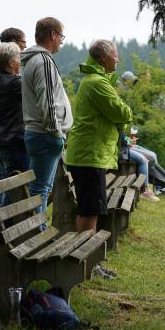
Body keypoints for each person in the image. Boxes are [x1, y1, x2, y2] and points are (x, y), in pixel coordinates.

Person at [64, 40, 133, 233]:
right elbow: (122, 113)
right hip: (88, 155)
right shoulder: (97, 83)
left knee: (91, 208)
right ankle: (85, 260)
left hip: (89, 154)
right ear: (103, 57)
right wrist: (126, 112)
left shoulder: (96, 80)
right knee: (89, 209)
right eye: (115, 55)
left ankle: (88, 259)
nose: (118, 59)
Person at [21, 17, 73, 226]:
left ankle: (37, 233)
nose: (61, 41)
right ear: (53, 35)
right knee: (40, 190)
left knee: (40, 189)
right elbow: (48, 102)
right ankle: (37, 235)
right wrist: (57, 133)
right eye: (61, 36)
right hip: (45, 135)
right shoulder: (43, 61)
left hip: (37, 133)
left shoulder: (31, 60)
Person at [0, 27, 26, 202]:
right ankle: (6, 224)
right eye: (22, 45)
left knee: (4, 179)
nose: (23, 52)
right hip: (11, 135)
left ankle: (0, 220)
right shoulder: (13, 80)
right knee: (14, 183)